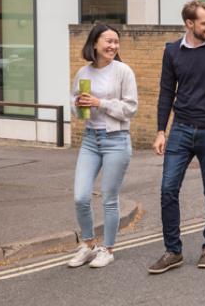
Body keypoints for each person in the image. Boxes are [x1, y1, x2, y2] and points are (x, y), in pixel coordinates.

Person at [148, 0, 205, 274]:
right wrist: (160, 131)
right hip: (181, 129)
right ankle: (173, 251)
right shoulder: (172, 51)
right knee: (168, 189)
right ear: (189, 24)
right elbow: (166, 92)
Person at [67, 24, 139, 268]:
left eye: (116, 42)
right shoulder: (83, 73)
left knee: (109, 197)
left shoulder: (123, 71)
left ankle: (107, 249)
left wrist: (100, 102)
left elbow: (130, 108)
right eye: (108, 41)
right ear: (94, 44)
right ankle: (88, 245)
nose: (113, 46)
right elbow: (76, 110)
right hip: (90, 139)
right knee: (80, 196)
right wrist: (78, 104)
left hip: (116, 140)